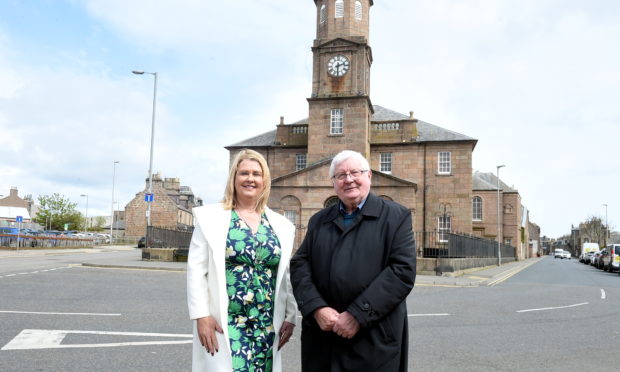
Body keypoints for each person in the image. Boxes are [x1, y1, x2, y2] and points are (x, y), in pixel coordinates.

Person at [290, 150, 416, 372]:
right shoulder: (319, 220)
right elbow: (301, 264)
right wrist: (316, 308)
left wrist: (358, 314)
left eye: (355, 172)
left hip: (373, 339)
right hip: (323, 339)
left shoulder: (396, 216)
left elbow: (401, 272)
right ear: (333, 183)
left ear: (369, 176)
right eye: (341, 175)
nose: (348, 179)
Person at [187, 149, 297, 372]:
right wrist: (201, 316)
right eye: (244, 173)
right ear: (233, 178)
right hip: (226, 323)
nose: (250, 179)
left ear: (264, 180)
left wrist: (291, 315)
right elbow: (196, 270)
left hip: (266, 323)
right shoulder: (211, 218)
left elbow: (285, 274)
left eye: (256, 174)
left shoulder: (281, 225)